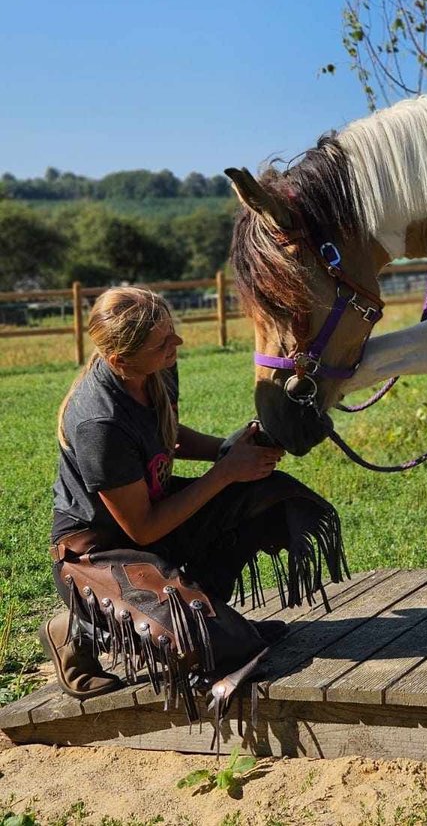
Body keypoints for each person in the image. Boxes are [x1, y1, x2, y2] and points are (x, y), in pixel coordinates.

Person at [44, 286, 348, 720]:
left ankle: (213, 616)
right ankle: (77, 629)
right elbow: (142, 529)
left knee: (269, 498)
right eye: (163, 343)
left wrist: (226, 449)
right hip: (101, 553)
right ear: (120, 360)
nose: (177, 345)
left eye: (172, 333)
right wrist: (225, 473)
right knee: (215, 646)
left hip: (155, 520)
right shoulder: (99, 422)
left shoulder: (154, 370)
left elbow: (167, 430)